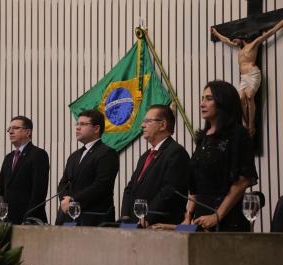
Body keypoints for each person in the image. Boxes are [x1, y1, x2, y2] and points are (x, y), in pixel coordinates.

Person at [182, 80, 258, 232]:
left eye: (209, 99)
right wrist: (188, 217)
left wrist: (217, 215)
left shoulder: (238, 134)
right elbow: (196, 188)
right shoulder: (204, 138)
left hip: (228, 217)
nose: (202, 104)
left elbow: (242, 181)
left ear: (224, 102)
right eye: (202, 98)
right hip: (201, 217)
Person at [120, 105, 190, 227]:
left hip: (159, 224)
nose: (143, 125)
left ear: (163, 125)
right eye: (143, 121)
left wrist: (148, 218)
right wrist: (125, 216)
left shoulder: (176, 152)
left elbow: (169, 192)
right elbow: (131, 188)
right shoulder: (146, 155)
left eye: (148, 121)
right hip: (135, 224)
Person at [211, 20, 283, 136]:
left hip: (253, 73)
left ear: (241, 37)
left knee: (249, 97)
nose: (234, 42)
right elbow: (225, 40)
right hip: (243, 77)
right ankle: (245, 124)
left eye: (236, 39)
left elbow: (271, 31)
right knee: (240, 100)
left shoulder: (254, 44)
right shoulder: (238, 49)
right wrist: (216, 33)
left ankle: (251, 125)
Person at [55, 110, 119, 225]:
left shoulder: (107, 153)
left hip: (93, 217)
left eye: (83, 124)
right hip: (69, 216)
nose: (78, 128)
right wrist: (64, 200)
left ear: (96, 129)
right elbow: (63, 183)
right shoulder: (74, 156)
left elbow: (101, 185)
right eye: (77, 124)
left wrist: (73, 200)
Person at [0, 116, 49, 224]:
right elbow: (1, 190)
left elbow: (39, 190)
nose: (10, 132)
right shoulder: (8, 158)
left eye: (15, 128)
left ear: (28, 132)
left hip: (29, 219)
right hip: (7, 220)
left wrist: (29, 216)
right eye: (9, 129)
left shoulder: (38, 154)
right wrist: (0, 216)